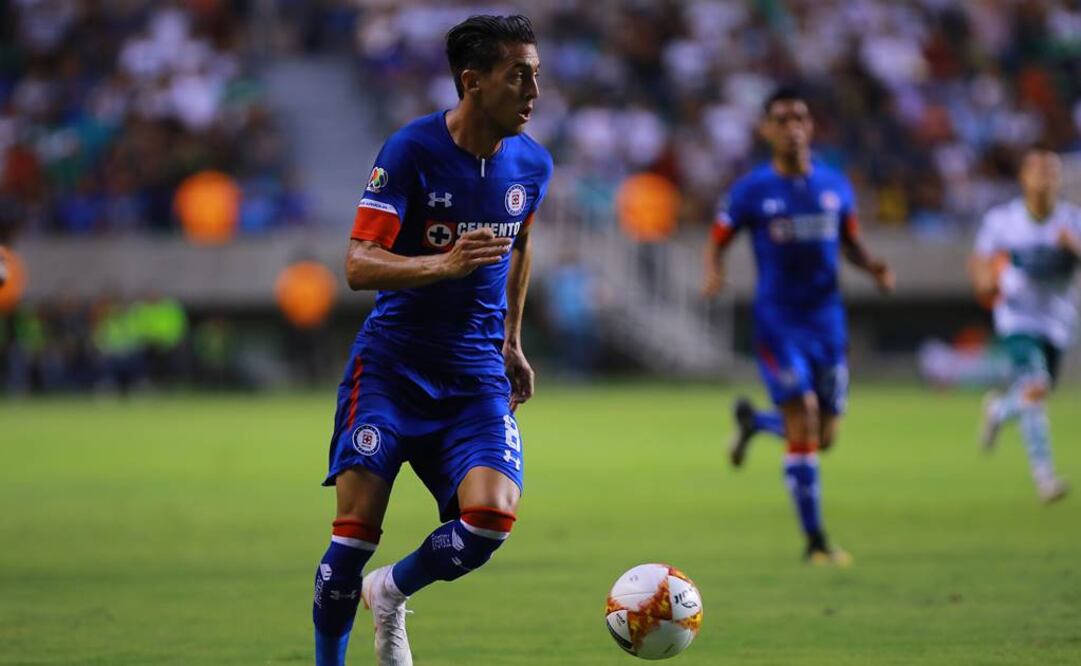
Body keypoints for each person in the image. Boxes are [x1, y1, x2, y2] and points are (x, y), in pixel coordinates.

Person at [311, 15, 550, 666]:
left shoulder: (532, 163)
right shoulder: (411, 150)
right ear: (473, 82)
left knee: (489, 522)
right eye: (519, 76)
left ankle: (390, 591)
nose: (533, 91)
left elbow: (520, 245)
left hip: (474, 374)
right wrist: (441, 264)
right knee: (351, 542)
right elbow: (357, 264)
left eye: (535, 75)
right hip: (392, 369)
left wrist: (512, 340)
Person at [702, 86, 895, 565]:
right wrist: (714, 272)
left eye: (799, 119)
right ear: (766, 130)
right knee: (804, 413)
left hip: (828, 324)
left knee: (823, 437)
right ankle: (816, 542)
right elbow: (718, 239)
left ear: (810, 127)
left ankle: (755, 423)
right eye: (782, 120)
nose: (792, 128)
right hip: (778, 324)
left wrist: (872, 266)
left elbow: (850, 241)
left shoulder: (835, 186)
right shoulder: (751, 190)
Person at [970, 145, 1078, 504]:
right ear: (1023, 177)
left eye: (1052, 171)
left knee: (1039, 390)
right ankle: (1045, 478)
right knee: (1035, 386)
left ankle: (998, 410)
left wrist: (1074, 247)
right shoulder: (1003, 220)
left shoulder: (1072, 221)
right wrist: (987, 281)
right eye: (1038, 170)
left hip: (1057, 320)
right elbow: (981, 263)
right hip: (1016, 316)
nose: (1045, 178)